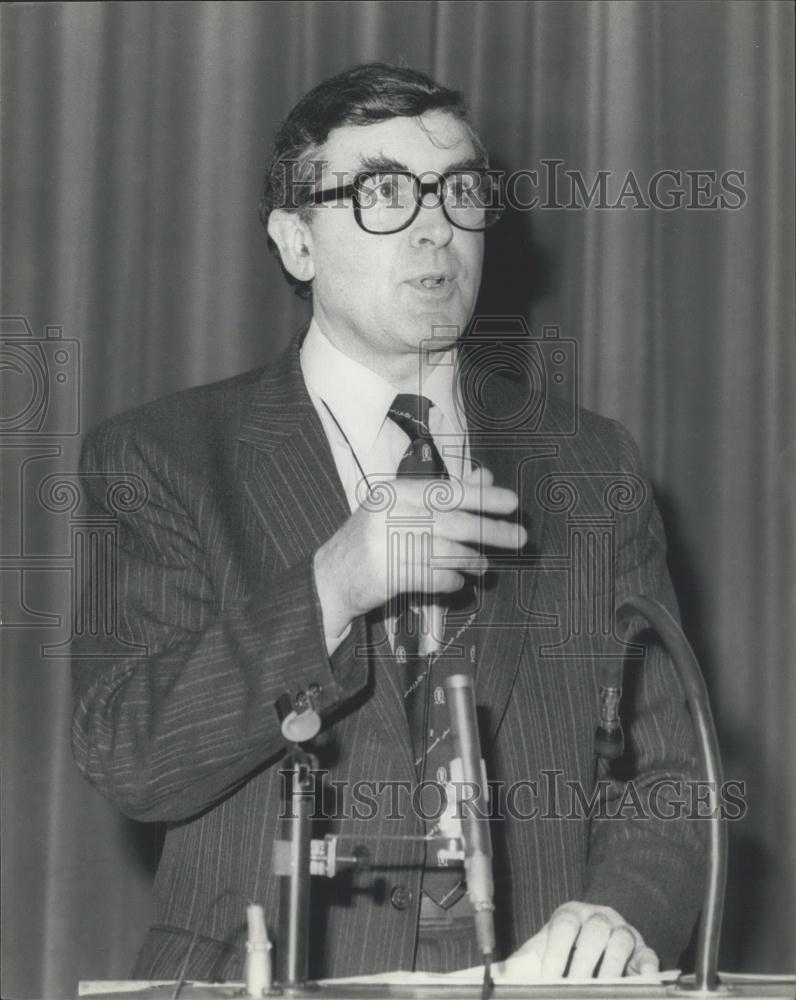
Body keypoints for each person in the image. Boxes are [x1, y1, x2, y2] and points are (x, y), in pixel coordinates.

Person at [71, 63, 704, 982]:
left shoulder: (590, 464)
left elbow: (674, 774)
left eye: (460, 192)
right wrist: (332, 585)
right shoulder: (162, 459)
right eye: (383, 193)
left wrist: (618, 914)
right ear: (297, 241)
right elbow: (132, 755)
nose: (435, 227)